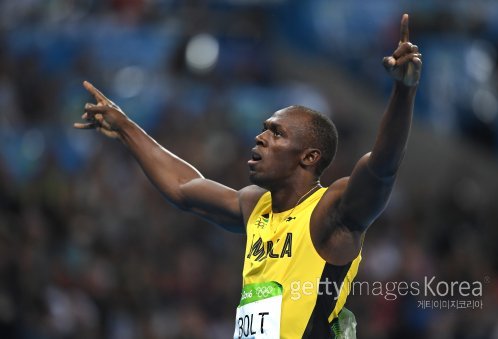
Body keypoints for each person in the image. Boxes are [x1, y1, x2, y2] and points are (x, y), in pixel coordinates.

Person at [74, 13, 421, 339]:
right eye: (264, 129)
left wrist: (403, 92)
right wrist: (126, 127)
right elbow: (183, 186)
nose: (260, 137)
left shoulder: (330, 211)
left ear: (309, 157)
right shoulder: (255, 205)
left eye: (277, 133)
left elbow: (382, 168)